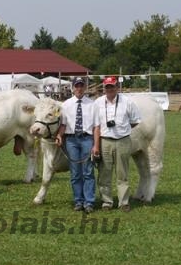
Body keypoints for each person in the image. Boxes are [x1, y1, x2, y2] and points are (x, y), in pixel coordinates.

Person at [93, 76, 141, 213]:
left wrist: (123, 129)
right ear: (104, 88)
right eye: (107, 87)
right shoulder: (98, 103)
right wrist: (96, 145)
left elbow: (135, 120)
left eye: (112, 86)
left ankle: (123, 202)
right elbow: (96, 125)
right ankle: (106, 202)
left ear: (117, 87)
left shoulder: (127, 102)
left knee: (122, 173)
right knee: (104, 173)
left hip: (123, 141)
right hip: (105, 141)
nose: (110, 89)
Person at [54, 77, 97, 213]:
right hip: (71, 140)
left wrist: (96, 144)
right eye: (77, 86)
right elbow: (63, 124)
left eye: (81, 86)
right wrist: (60, 135)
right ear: (73, 88)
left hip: (87, 139)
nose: (79, 88)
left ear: (85, 88)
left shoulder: (92, 104)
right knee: (75, 172)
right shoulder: (66, 104)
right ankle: (78, 201)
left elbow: (96, 126)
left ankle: (89, 202)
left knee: (88, 171)